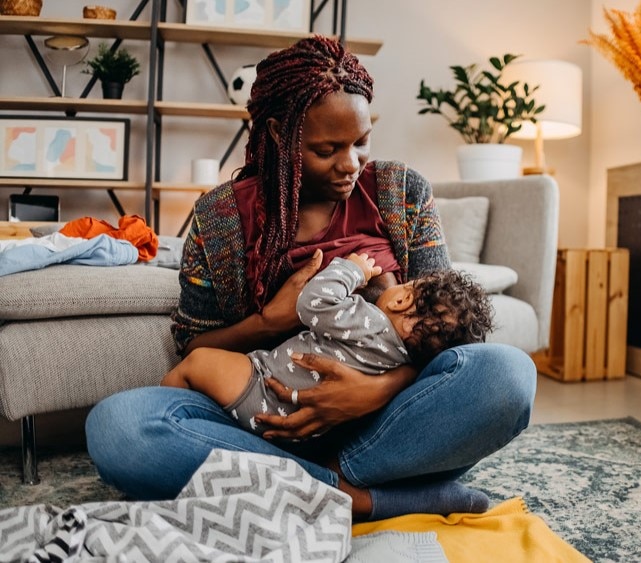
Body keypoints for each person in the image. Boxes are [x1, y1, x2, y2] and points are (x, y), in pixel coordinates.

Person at [85, 35, 537, 521]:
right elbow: (193, 348)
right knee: (121, 426)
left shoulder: (400, 191)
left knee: (506, 375)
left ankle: (305, 484)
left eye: (361, 143)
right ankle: (353, 495)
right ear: (280, 134)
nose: (350, 164)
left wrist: (372, 392)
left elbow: (444, 331)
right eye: (328, 149)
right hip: (262, 419)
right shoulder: (222, 216)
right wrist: (268, 320)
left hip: (384, 421)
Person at [160, 251, 495, 439]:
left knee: (198, 363)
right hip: (305, 431)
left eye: (406, 284)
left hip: (264, 390)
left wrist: (353, 270)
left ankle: (160, 409)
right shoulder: (397, 358)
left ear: (401, 301)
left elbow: (314, 302)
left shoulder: (370, 322)